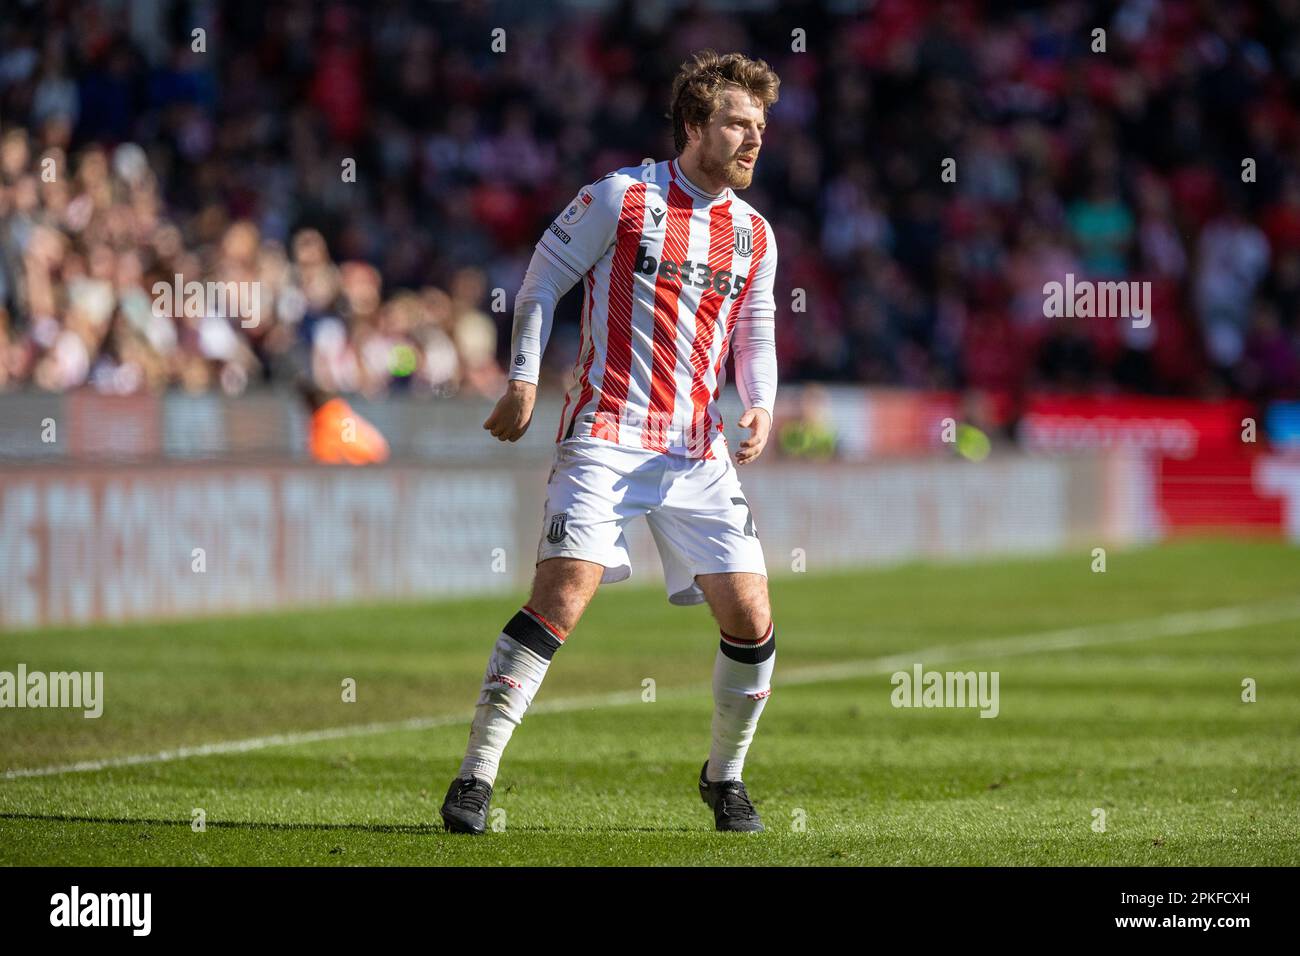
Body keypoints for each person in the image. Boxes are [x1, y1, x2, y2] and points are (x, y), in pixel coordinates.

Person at [440, 50, 782, 834]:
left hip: (698, 450)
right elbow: (540, 281)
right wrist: (524, 380)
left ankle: (724, 780)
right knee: (561, 596)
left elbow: (755, 330)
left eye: (760, 126)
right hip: (607, 432)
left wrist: (759, 404)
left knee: (752, 618)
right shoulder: (622, 198)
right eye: (737, 122)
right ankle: (475, 777)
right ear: (694, 124)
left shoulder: (756, 237)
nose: (753, 139)